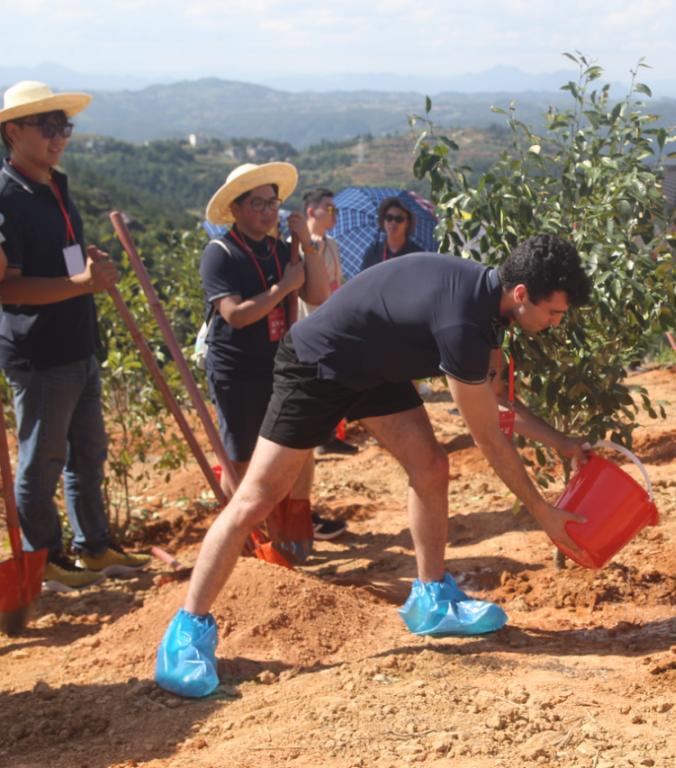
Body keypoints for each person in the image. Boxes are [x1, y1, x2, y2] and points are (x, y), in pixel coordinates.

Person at [156, 235, 592, 697]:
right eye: (553, 313)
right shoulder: (463, 320)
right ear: (522, 294)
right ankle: (186, 632)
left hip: (371, 368)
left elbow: (495, 401)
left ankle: (431, 600)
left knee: (430, 466)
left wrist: (562, 443)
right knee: (258, 498)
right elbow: (489, 437)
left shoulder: (490, 305)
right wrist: (543, 512)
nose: (554, 324)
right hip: (317, 364)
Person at [0, 81, 151, 591]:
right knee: (42, 461)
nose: (58, 136)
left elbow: (61, 252)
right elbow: (7, 287)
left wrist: (85, 264)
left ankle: (93, 547)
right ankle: (42, 561)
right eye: (47, 126)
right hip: (40, 352)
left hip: (77, 341)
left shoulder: (53, 184)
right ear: (13, 131)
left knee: (88, 453)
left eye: (63, 125)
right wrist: (80, 283)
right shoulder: (7, 196)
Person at [198, 163, 335, 554]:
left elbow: (318, 296)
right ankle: (244, 538)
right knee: (240, 457)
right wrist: (281, 288)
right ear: (236, 210)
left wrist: (306, 245)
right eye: (256, 203)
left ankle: (291, 530)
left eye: (271, 202)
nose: (266, 211)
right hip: (236, 371)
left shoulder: (280, 249)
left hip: (280, 365)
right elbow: (236, 315)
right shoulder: (220, 254)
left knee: (294, 445)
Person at [296, 187, 358, 459]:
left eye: (336, 209)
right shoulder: (298, 246)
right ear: (312, 211)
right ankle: (312, 438)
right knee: (312, 381)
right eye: (330, 209)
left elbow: (336, 282)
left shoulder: (332, 244)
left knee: (331, 379)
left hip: (330, 320)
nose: (335, 214)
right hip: (306, 321)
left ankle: (328, 435)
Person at [358, 196, 422, 274]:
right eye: (389, 218)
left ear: (407, 223)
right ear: (383, 221)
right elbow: (364, 281)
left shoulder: (417, 254)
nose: (393, 222)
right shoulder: (373, 253)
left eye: (399, 219)